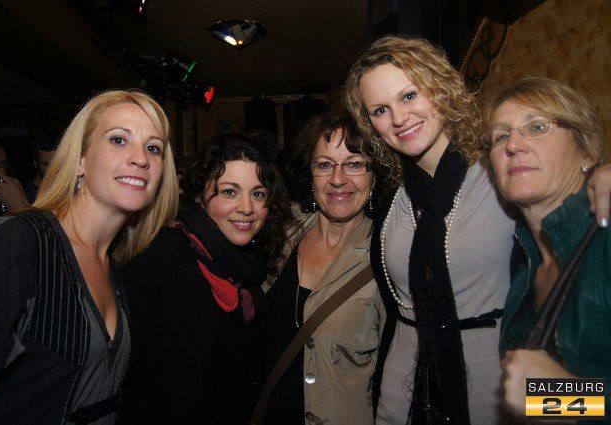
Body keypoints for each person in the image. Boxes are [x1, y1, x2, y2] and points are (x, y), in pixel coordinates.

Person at [344, 35, 611, 424]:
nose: (399, 118)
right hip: (408, 402)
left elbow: (569, 395)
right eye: (380, 110)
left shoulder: (510, 186)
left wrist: (557, 399)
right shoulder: (531, 266)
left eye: (409, 96)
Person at [0, 89, 179, 424]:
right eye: (119, 140)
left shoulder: (112, 264)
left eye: (153, 148)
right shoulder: (19, 243)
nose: (141, 158)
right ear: (80, 159)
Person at [118, 134, 293, 425]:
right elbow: (121, 370)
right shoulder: (164, 254)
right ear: (200, 196)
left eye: (258, 194)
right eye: (229, 192)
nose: (247, 208)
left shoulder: (253, 267)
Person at [483, 77, 611, 420]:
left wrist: (562, 398)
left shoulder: (605, 240)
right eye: (500, 136)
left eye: (537, 127)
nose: (513, 145)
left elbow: (551, 398)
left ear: (588, 152)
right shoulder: (525, 266)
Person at [259, 113, 388, 424]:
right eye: (325, 165)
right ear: (311, 174)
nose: (338, 179)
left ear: (374, 176)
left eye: (355, 164)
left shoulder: (387, 257)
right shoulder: (283, 234)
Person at [24, 133, 59, 204]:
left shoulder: (65, 188)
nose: (53, 168)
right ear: (35, 163)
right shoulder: (27, 195)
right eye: (46, 164)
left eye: (56, 163)